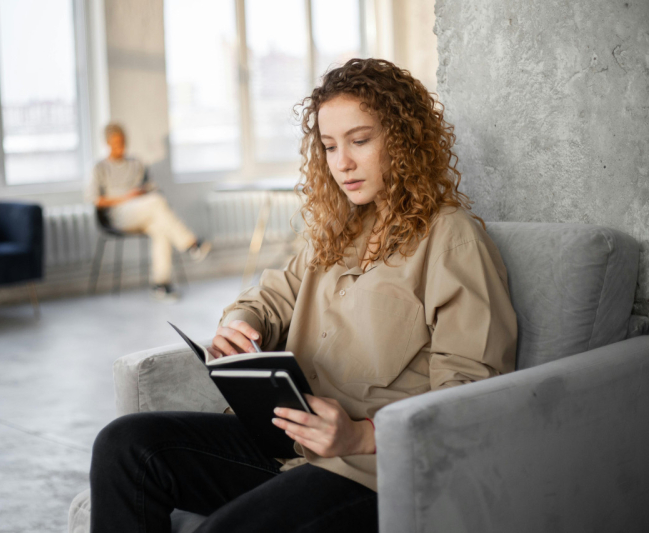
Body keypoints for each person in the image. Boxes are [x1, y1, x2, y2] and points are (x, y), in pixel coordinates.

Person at [89, 58, 518, 532]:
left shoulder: (451, 240)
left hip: (369, 468)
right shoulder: (336, 232)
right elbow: (270, 297)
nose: (342, 163)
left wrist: (362, 435)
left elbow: (473, 392)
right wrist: (244, 323)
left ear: (403, 139)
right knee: (126, 445)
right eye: (330, 146)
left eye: (360, 141)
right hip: (287, 444)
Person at [86, 123, 211, 301]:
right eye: (115, 143)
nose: (119, 146)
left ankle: (161, 285)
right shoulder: (99, 167)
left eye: (122, 142)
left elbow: (153, 189)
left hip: (144, 210)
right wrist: (128, 196)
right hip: (117, 215)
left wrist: (143, 192)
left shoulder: (136, 164)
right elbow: (96, 200)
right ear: (107, 143)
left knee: (161, 226)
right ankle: (191, 243)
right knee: (156, 203)